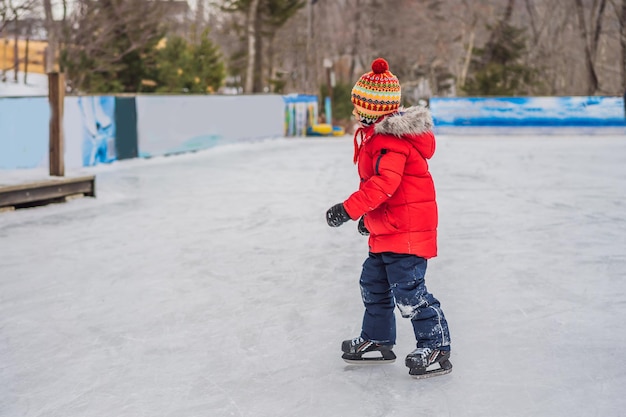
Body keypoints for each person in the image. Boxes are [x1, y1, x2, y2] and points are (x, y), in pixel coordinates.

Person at [325, 57, 452, 378]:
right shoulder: (377, 138)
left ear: (371, 110)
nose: (354, 113)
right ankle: (378, 340)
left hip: (406, 234)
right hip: (389, 229)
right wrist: (371, 221)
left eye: (358, 107)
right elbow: (385, 191)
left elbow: (384, 184)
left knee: (410, 295)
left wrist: (349, 209)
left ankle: (436, 347)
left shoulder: (389, 142)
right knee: (374, 285)